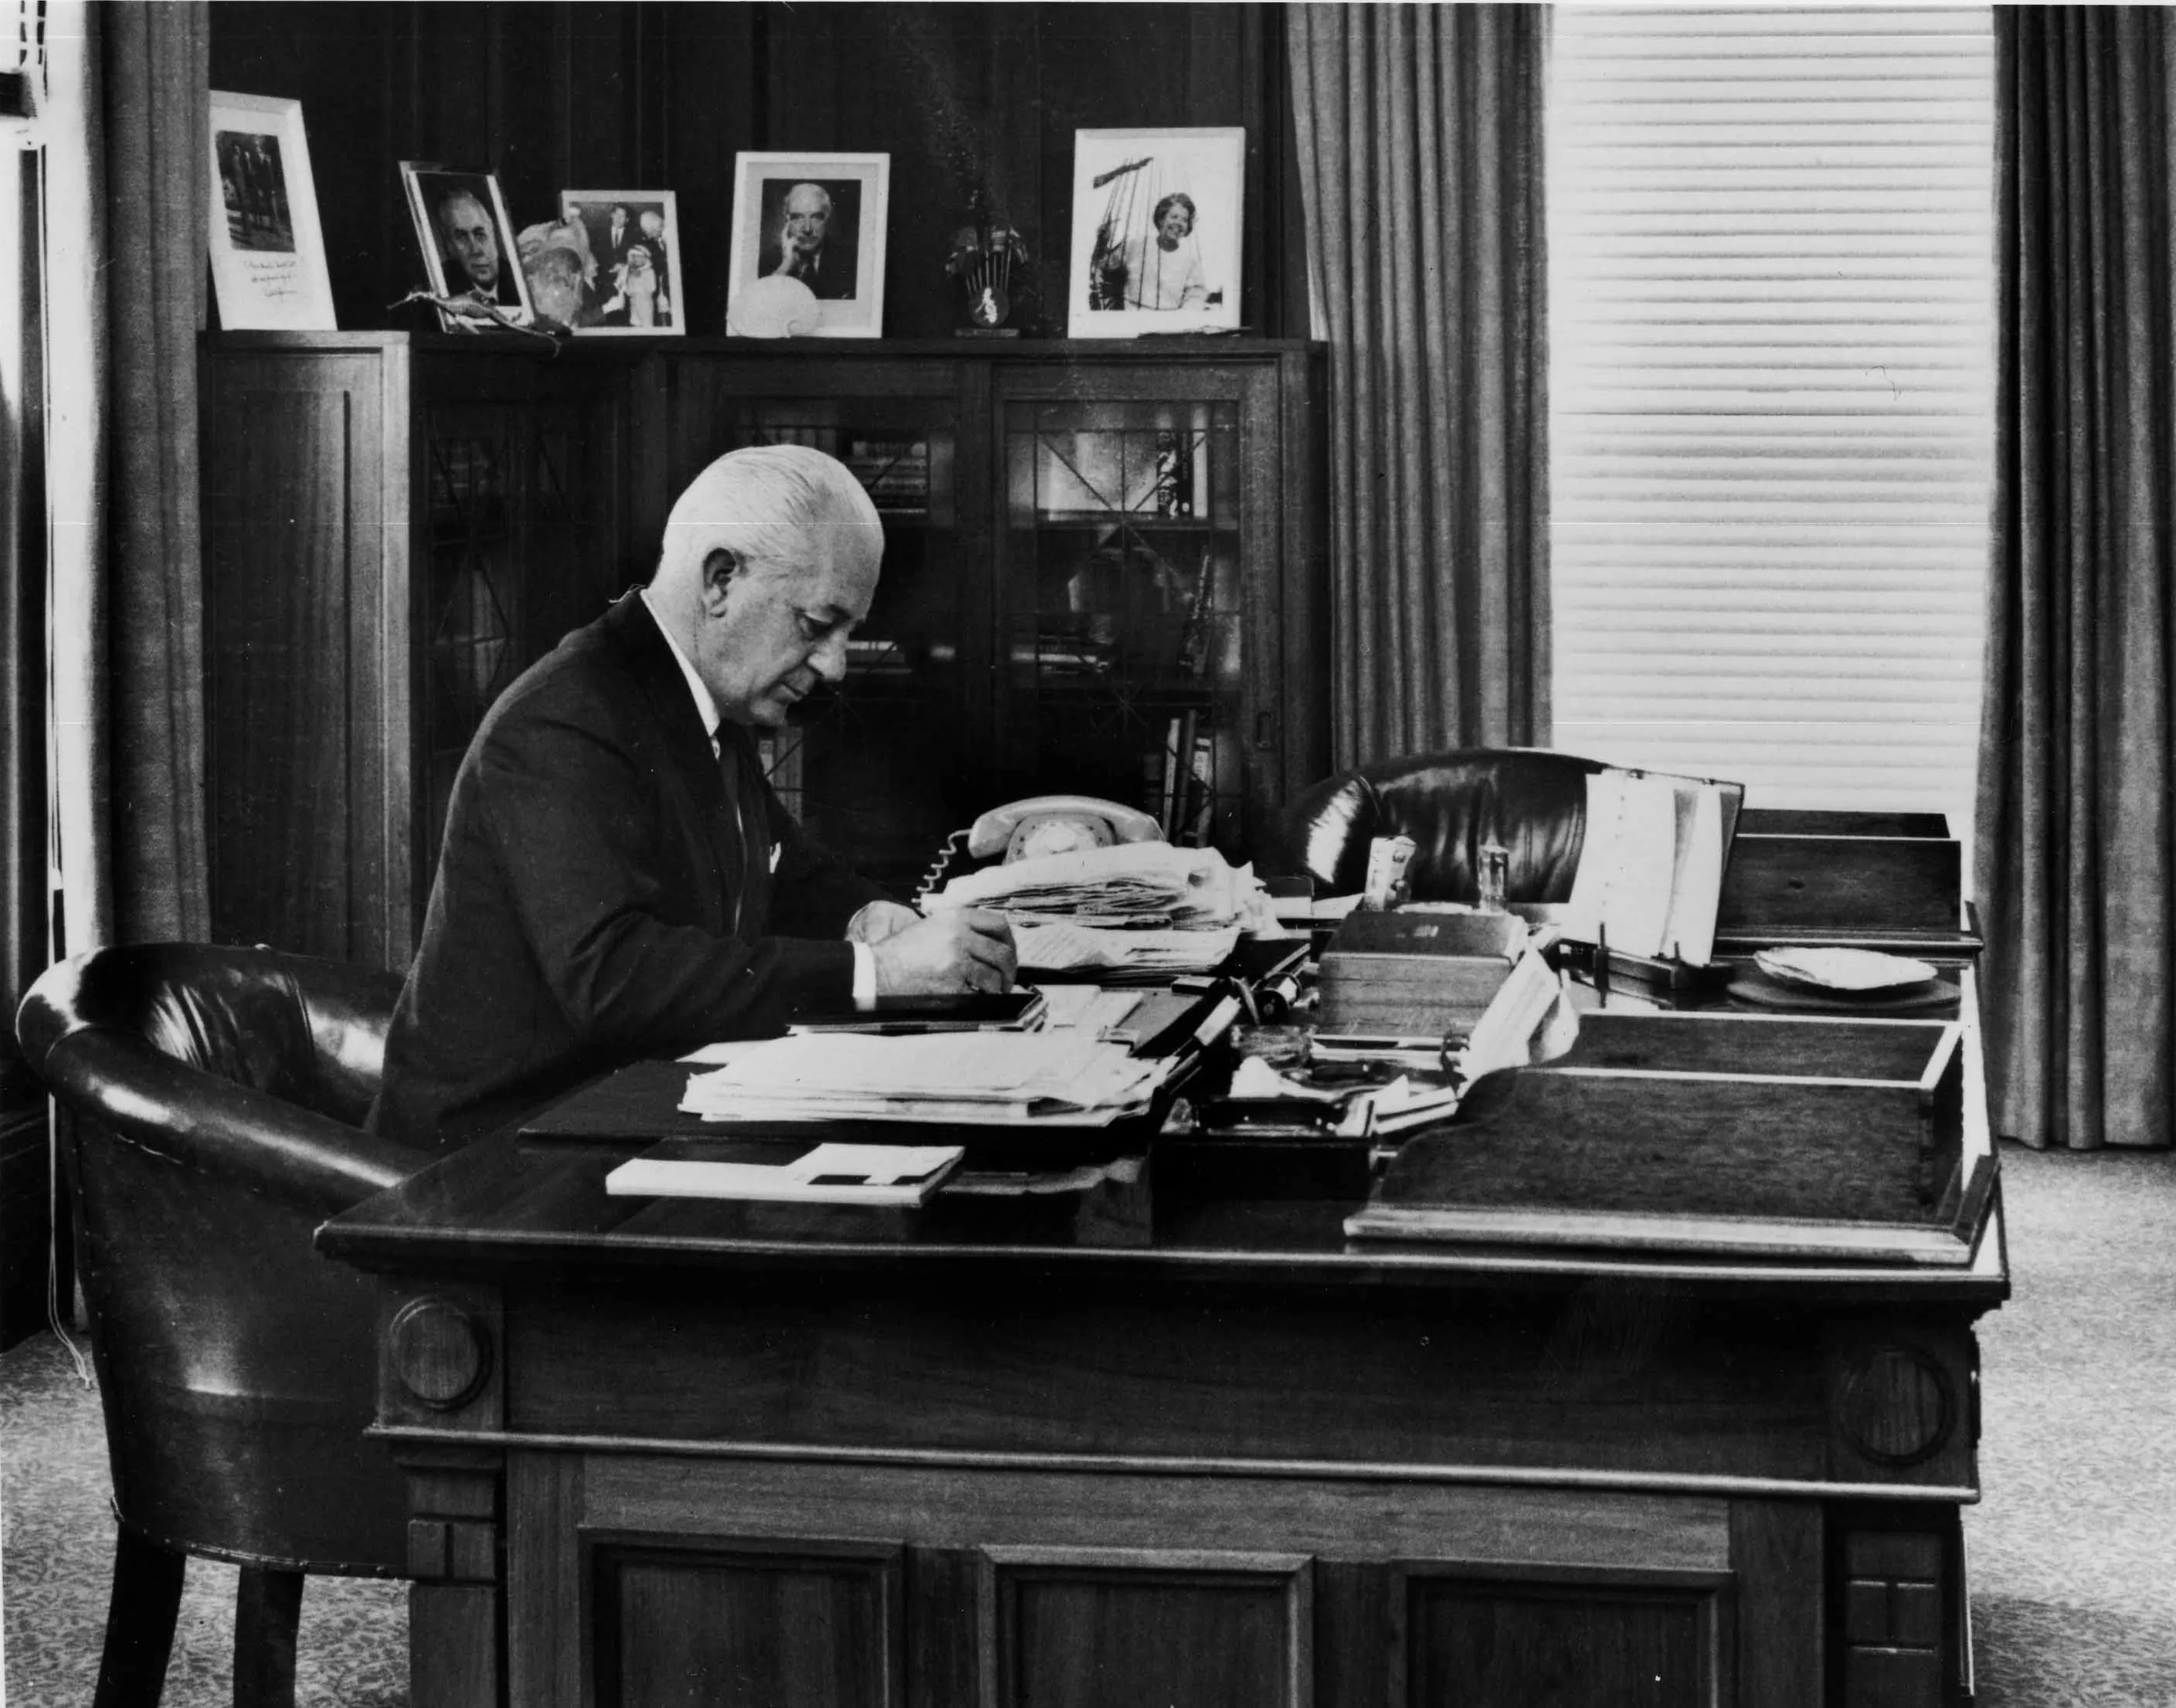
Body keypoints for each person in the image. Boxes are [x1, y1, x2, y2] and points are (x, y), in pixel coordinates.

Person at [368, 445, 1017, 1149]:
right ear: (719, 580)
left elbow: (787, 871)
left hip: (616, 1125)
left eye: (848, 633)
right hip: (494, 1166)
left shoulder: (700, 696)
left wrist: (870, 917)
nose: (833, 666)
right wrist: (878, 973)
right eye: (815, 625)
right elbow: (614, 977)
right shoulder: (564, 717)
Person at [1095, 191, 1208, 312]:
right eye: (1174, 217)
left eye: (1184, 220)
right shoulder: (1136, 245)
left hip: (1170, 320)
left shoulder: (1190, 258)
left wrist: (1182, 317)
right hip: (1133, 316)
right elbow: (1105, 265)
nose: (1179, 224)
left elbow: (1197, 293)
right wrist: (1102, 243)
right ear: (1161, 219)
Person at [761, 182, 857, 299]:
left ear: (827, 218)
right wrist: (786, 266)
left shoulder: (851, 260)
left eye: (816, 217)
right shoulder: (767, 261)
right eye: (798, 218)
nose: (807, 228)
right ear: (787, 219)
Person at [436, 185, 519, 307]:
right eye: (462, 237)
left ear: (492, 231)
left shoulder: (518, 281)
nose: (476, 250)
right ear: (449, 244)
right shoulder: (443, 287)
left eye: (480, 234)